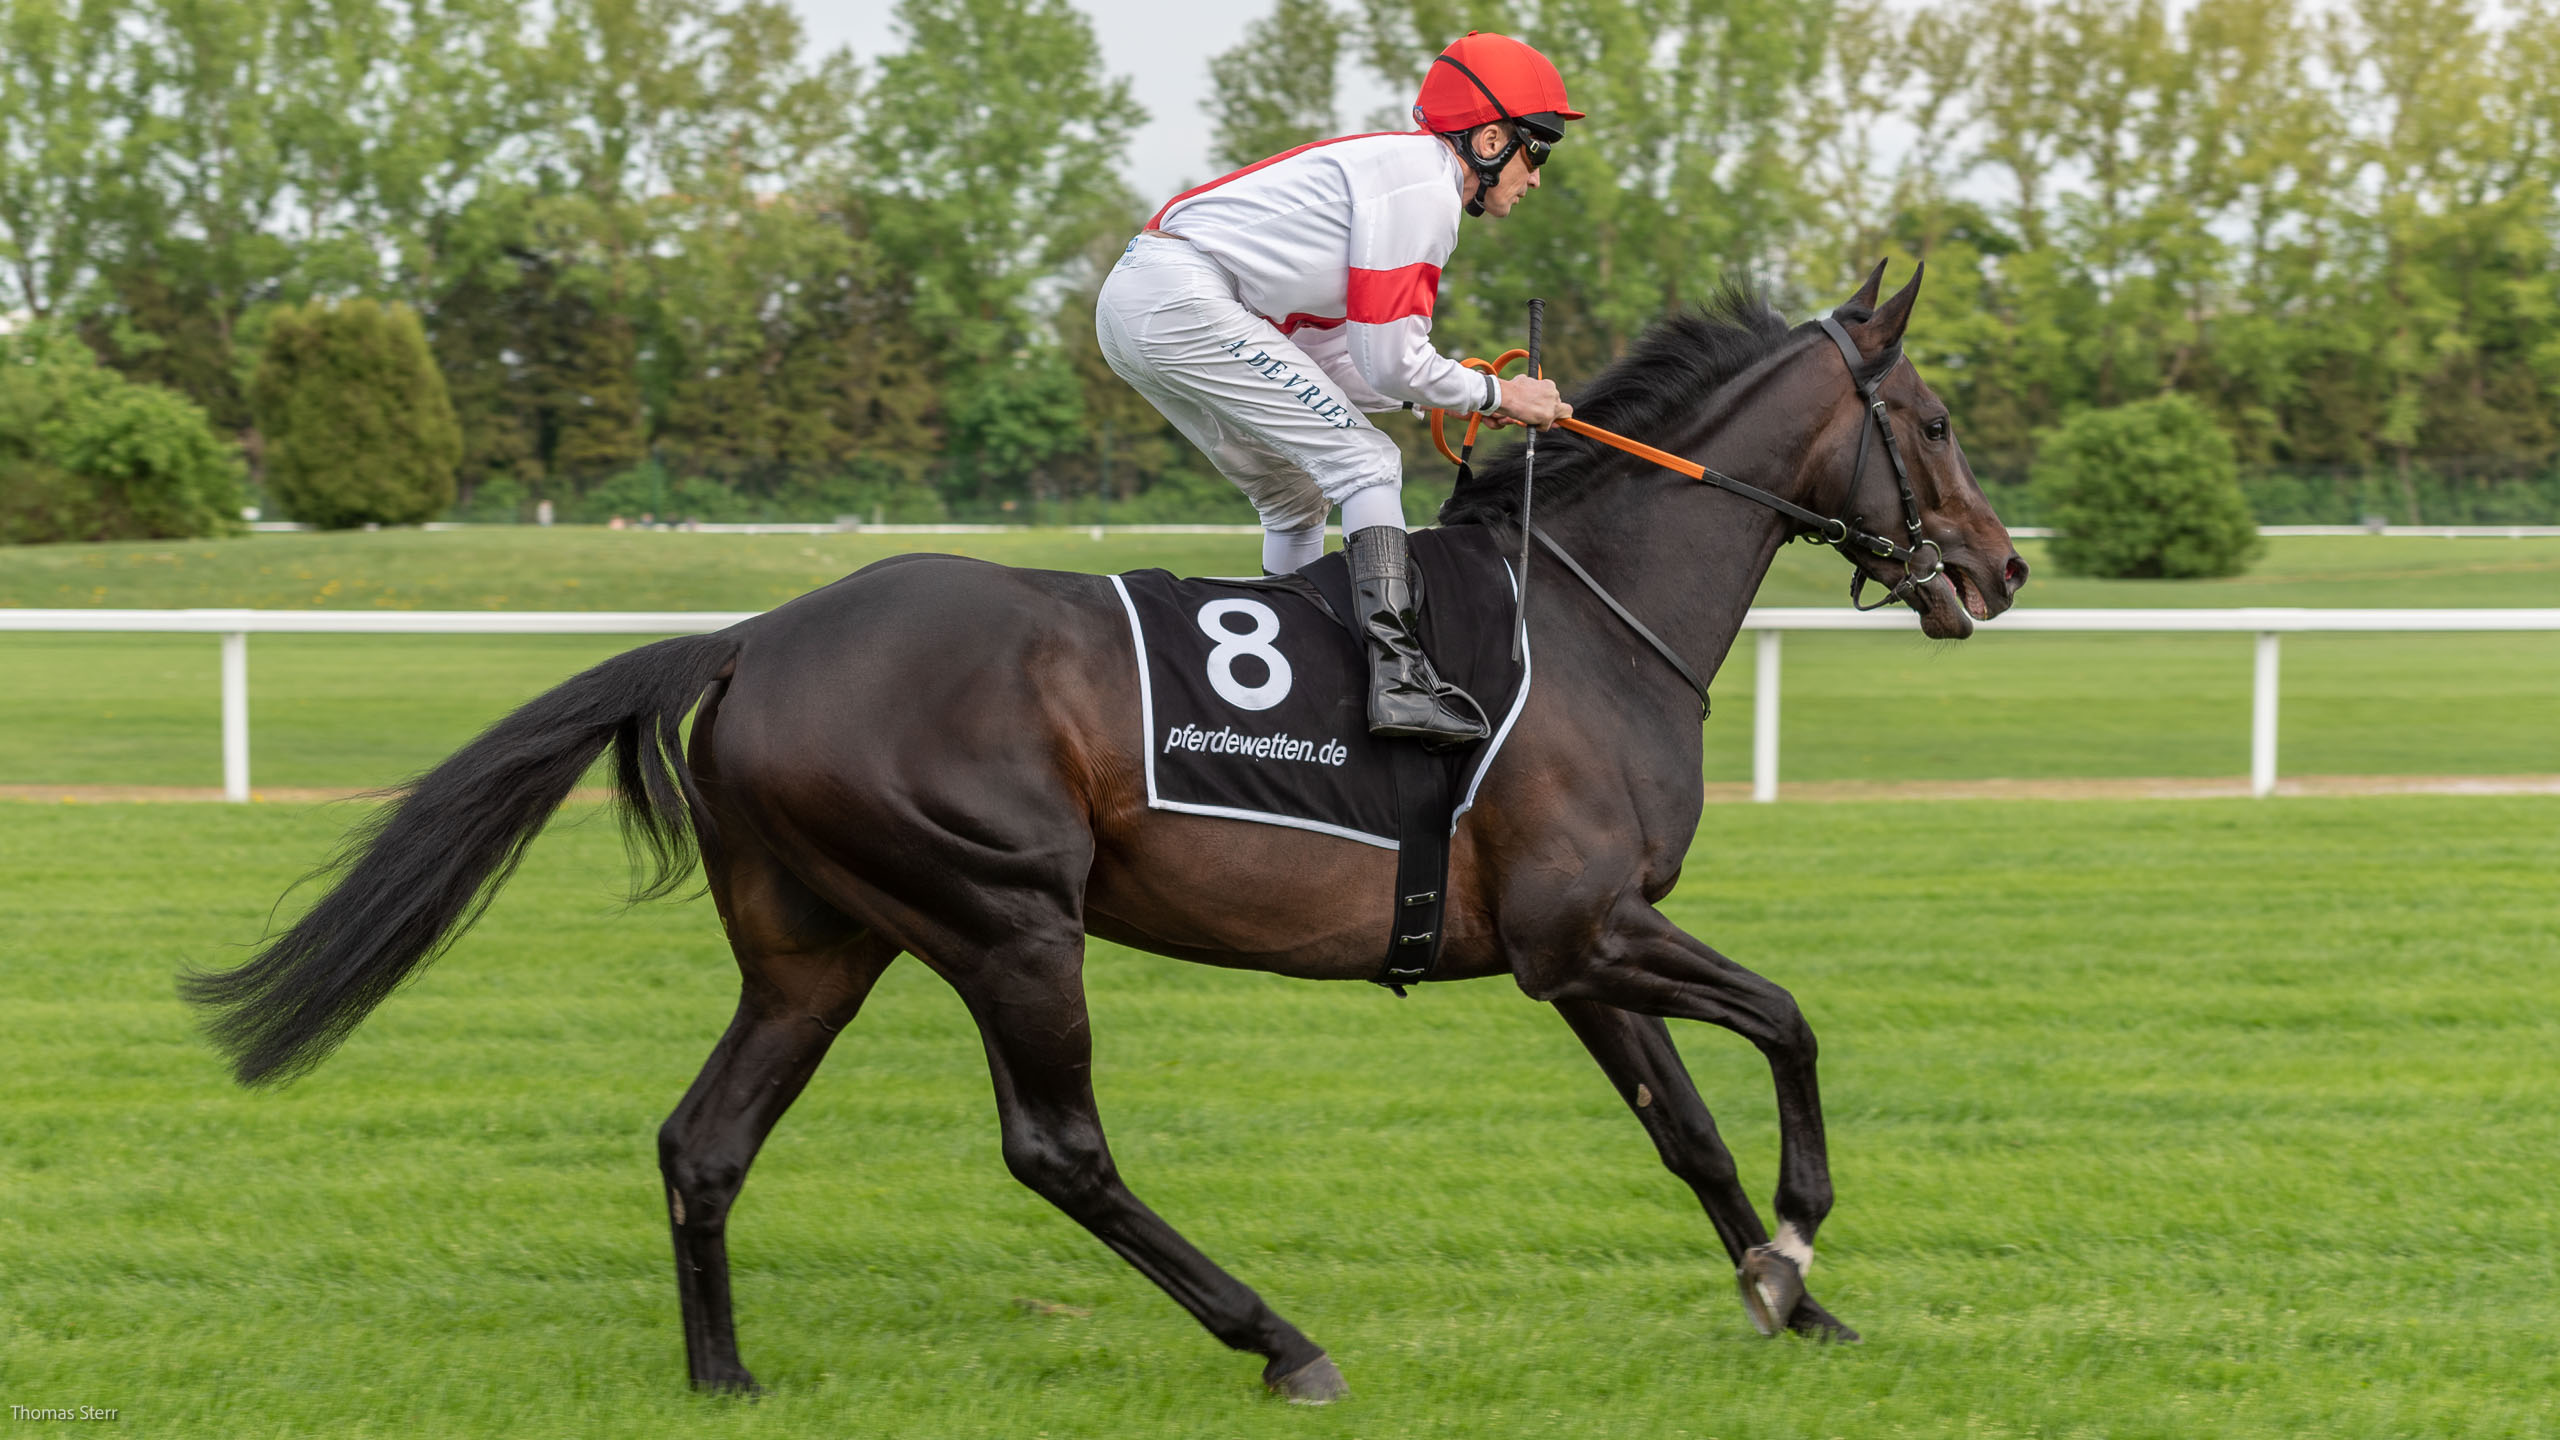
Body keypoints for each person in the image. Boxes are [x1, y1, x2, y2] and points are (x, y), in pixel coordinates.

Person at [1095, 31, 1579, 745]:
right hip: (1181, 297)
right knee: (1368, 462)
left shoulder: (1403, 178)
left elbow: (1345, 365)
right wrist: (1496, 396)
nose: (1535, 177)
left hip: (1149, 300)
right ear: (1488, 140)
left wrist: (1472, 395)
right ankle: (1399, 679)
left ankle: (1296, 677)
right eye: (1537, 151)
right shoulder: (1424, 189)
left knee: (1295, 498)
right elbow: (1390, 363)